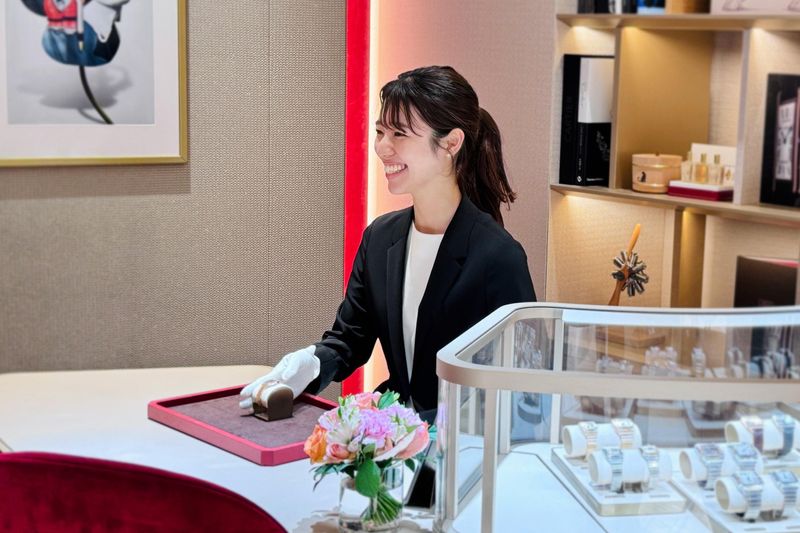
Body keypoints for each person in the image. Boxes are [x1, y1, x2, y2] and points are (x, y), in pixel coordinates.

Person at [240, 65, 536, 422]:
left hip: (460, 444)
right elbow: (349, 340)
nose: (382, 147)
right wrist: (310, 362)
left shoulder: (498, 256)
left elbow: (522, 389)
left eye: (399, 133)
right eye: (380, 131)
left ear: (451, 143)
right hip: (390, 432)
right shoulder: (380, 238)